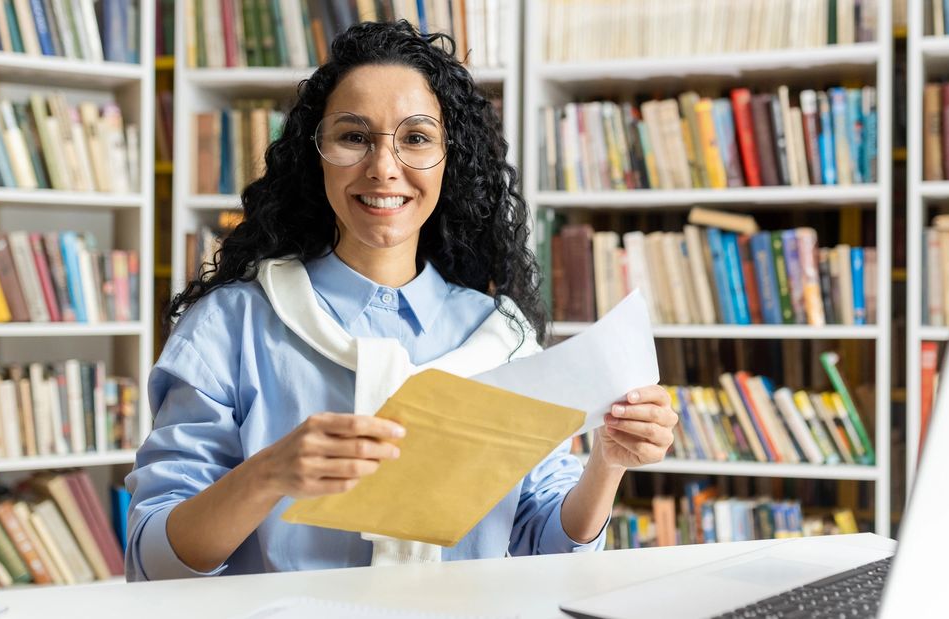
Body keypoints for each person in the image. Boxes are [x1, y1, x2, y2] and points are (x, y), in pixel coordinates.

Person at [125, 20, 678, 581]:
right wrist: (267, 474)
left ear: (447, 159)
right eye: (353, 136)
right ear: (316, 155)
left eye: (416, 138)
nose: (384, 167)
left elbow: (549, 548)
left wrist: (607, 464)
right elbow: (152, 561)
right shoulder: (232, 324)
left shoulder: (501, 336)